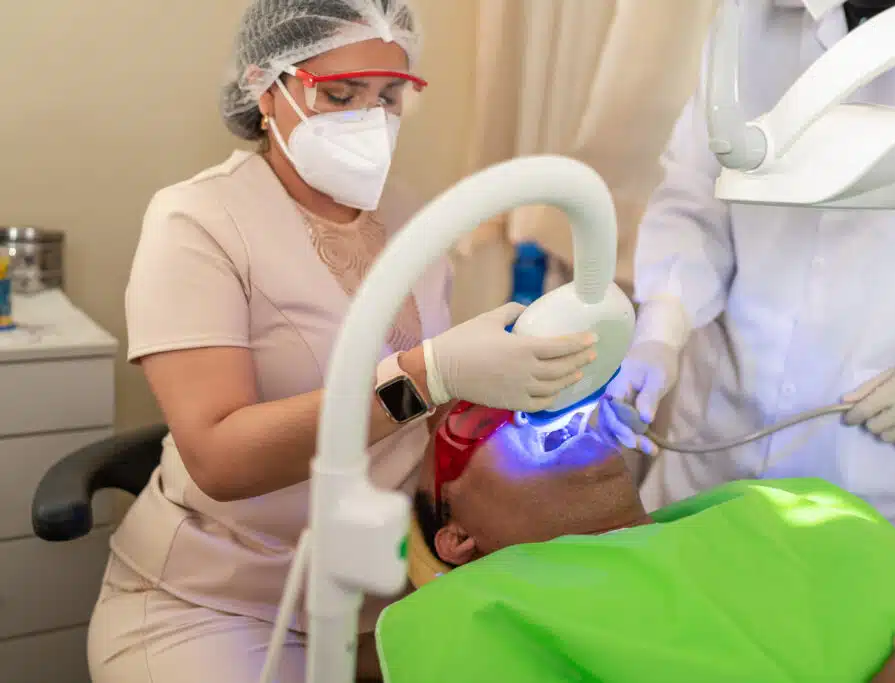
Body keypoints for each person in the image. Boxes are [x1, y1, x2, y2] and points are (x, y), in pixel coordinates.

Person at [86, 2, 598, 682]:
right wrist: (426, 375)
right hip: (216, 605)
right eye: (338, 94)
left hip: (382, 599)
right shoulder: (198, 220)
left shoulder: (413, 218)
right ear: (267, 88)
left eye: (388, 96)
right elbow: (218, 456)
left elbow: (430, 417)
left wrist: (530, 392)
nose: (369, 118)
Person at [605, 0, 895, 591]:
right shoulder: (750, 19)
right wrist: (662, 329)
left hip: (887, 480)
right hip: (717, 449)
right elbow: (696, 196)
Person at [396, 399, 895, 683]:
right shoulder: (475, 613)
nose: (529, 413)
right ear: (458, 539)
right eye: (478, 419)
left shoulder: (796, 504)